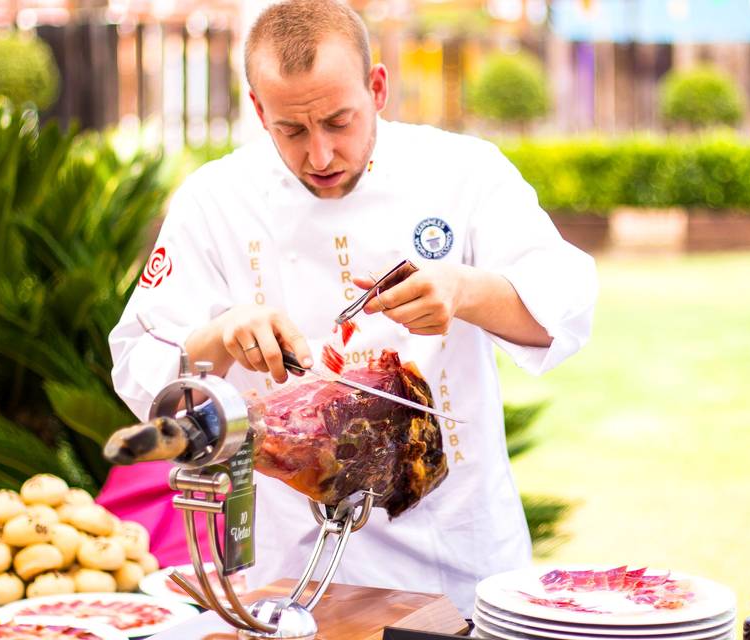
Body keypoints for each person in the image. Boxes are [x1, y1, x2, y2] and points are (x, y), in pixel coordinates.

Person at [109, 0, 597, 616]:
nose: (320, 156)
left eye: (339, 122)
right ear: (258, 110)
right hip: (285, 571)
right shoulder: (214, 201)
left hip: (453, 561)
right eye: (292, 129)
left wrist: (463, 290)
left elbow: (567, 308)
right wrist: (220, 333)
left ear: (378, 87)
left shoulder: (465, 173)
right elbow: (137, 362)